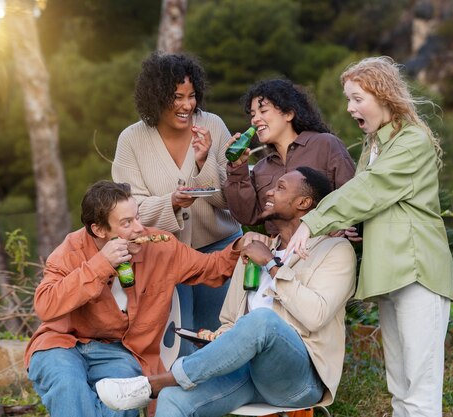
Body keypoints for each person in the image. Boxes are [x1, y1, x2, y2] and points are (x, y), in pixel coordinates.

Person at [96, 167, 357, 416]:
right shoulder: (254, 248)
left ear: (303, 203)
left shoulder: (334, 250)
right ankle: (164, 388)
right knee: (172, 399)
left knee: (262, 322)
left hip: (297, 379)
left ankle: (156, 384)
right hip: (246, 373)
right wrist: (218, 339)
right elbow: (230, 321)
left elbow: (315, 316)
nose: (268, 192)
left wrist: (271, 265)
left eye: (280, 187)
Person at [285, 56, 453, 417]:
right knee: (399, 385)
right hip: (390, 273)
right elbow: (386, 204)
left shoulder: (410, 141)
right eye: (348, 99)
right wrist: (359, 229)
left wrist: (311, 221)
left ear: (383, 95)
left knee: (420, 388)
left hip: (417, 271)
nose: (349, 108)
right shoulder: (374, 145)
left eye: (357, 98)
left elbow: (371, 188)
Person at [25, 180, 250, 417]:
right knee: (67, 384)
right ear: (99, 230)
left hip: (116, 350)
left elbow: (212, 268)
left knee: (129, 394)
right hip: (61, 343)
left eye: (138, 217)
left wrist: (242, 246)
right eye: (126, 223)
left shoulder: (160, 247)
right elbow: (45, 306)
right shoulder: (71, 251)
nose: (140, 228)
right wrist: (100, 265)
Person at [112, 52, 242, 353]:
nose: (187, 105)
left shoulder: (213, 125)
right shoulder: (131, 140)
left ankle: (224, 399)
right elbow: (130, 212)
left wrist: (203, 161)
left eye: (192, 96)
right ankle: (176, 400)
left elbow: (230, 201)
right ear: (155, 97)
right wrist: (171, 203)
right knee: (177, 348)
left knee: (221, 342)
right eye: (177, 97)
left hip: (220, 248)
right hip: (163, 254)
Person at [223, 78, 357, 236]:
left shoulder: (326, 144)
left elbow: (353, 196)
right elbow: (247, 216)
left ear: (289, 114)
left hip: (322, 248)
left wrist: (343, 226)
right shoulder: (261, 167)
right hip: (280, 254)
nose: (255, 120)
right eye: (253, 115)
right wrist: (237, 169)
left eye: (263, 111)